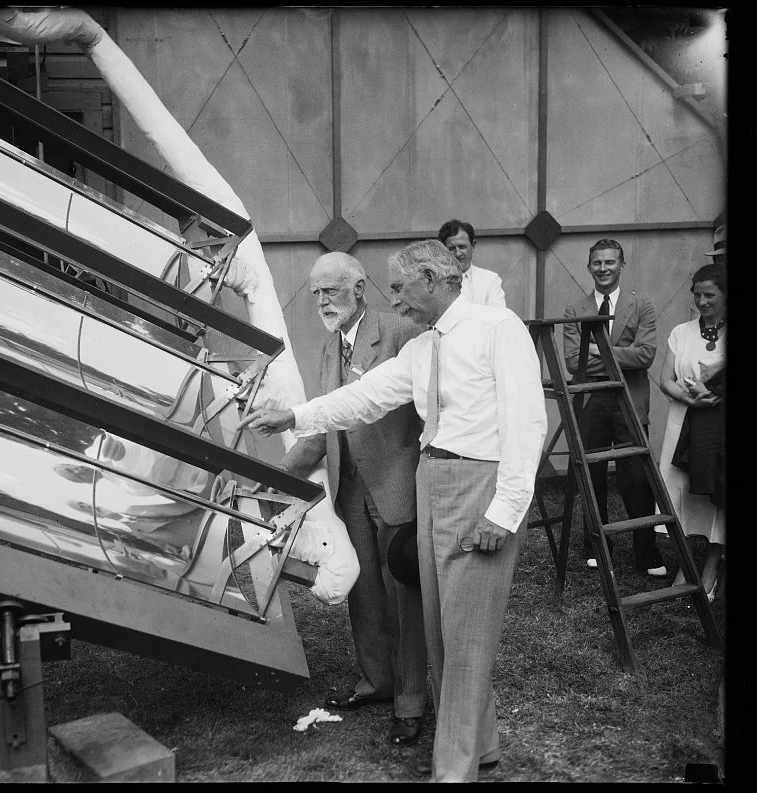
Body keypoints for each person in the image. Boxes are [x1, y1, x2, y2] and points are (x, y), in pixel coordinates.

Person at [238, 240, 547, 782]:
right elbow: (367, 398)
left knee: (467, 634)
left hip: (479, 482)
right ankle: (486, 747)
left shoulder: (500, 328)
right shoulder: (422, 348)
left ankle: (454, 770)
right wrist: (293, 415)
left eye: (401, 286)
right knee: (443, 630)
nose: (395, 298)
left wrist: (505, 511)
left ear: (433, 279)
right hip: (432, 479)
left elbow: (527, 423)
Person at [276, 251, 429, 747]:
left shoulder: (401, 333)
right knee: (363, 590)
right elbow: (324, 424)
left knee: (404, 595)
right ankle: (377, 682)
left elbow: (428, 409)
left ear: (360, 288)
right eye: (316, 292)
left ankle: (410, 701)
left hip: (396, 483)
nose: (322, 301)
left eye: (332, 291)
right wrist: (278, 477)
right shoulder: (328, 346)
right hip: (349, 488)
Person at [563, 239, 666, 576]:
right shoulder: (575, 310)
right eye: (597, 262)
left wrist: (596, 350)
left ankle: (646, 553)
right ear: (589, 266)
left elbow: (645, 355)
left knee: (636, 478)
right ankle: (596, 545)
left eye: (610, 262)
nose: (603, 268)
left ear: (622, 265)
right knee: (592, 476)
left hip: (630, 401)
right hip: (592, 399)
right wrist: (619, 356)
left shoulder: (642, 305)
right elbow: (571, 364)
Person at [658, 264, 726, 600]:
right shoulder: (680, 332)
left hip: (718, 428)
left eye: (710, 294)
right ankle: (685, 567)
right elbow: (665, 378)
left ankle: (711, 570)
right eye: (697, 294)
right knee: (681, 493)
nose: (702, 301)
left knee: (717, 496)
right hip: (682, 422)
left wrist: (714, 396)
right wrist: (690, 398)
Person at [437, 218, 506, 307]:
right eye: (452, 249)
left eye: (462, 247)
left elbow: (498, 315)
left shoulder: (491, 280)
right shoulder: (436, 282)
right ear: (444, 250)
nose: (458, 253)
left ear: (473, 246)